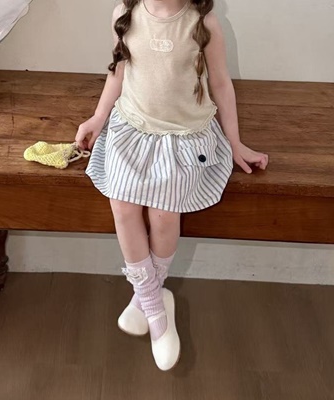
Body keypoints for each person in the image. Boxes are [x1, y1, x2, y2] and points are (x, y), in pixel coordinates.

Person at [75, 0, 269, 371]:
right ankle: (156, 308)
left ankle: (145, 298)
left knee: (164, 214)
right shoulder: (124, 15)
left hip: (183, 137)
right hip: (131, 131)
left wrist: (235, 141)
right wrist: (98, 117)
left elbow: (221, 83)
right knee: (123, 205)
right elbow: (117, 71)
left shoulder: (204, 23)